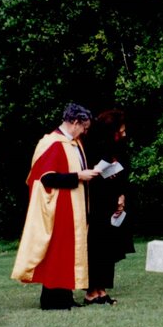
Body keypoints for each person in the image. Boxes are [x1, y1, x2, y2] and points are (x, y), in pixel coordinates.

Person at [12, 104, 100, 310]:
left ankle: (65, 297)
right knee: (57, 252)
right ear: (75, 122)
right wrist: (79, 176)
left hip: (73, 206)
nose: (85, 132)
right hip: (58, 206)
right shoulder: (52, 143)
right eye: (84, 127)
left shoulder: (74, 143)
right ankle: (52, 300)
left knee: (67, 253)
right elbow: (46, 177)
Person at [84, 109, 134, 304]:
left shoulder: (119, 146)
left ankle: (102, 289)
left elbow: (124, 172)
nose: (124, 133)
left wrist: (122, 196)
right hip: (97, 201)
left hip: (114, 200)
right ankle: (91, 291)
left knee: (109, 247)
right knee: (96, 245)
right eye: (121, 129)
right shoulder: (92, 145)